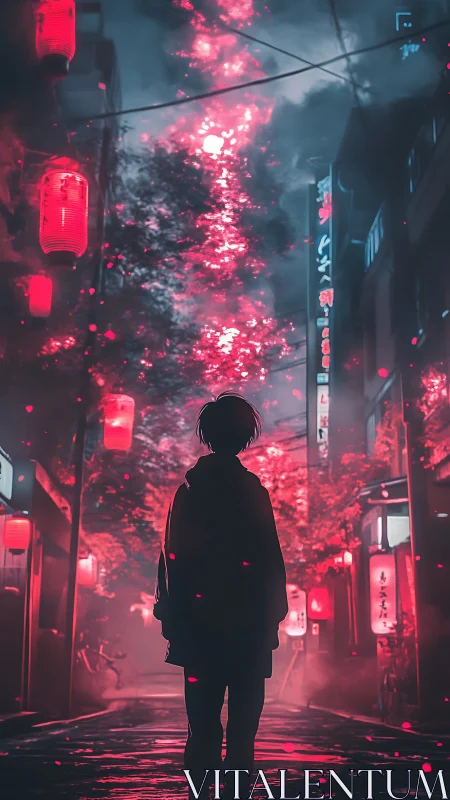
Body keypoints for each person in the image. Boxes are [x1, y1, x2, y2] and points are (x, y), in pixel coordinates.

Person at [154, 392, 288, 798]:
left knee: (202, 728)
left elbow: (172, 559)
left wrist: (173, 615)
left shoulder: (189, 492)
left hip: (199, 630)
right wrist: (271, 614)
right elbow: (269, 559)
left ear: (208, 436)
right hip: (249, 630)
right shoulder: (253, 492)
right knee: (243, 732)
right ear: (246, 437)